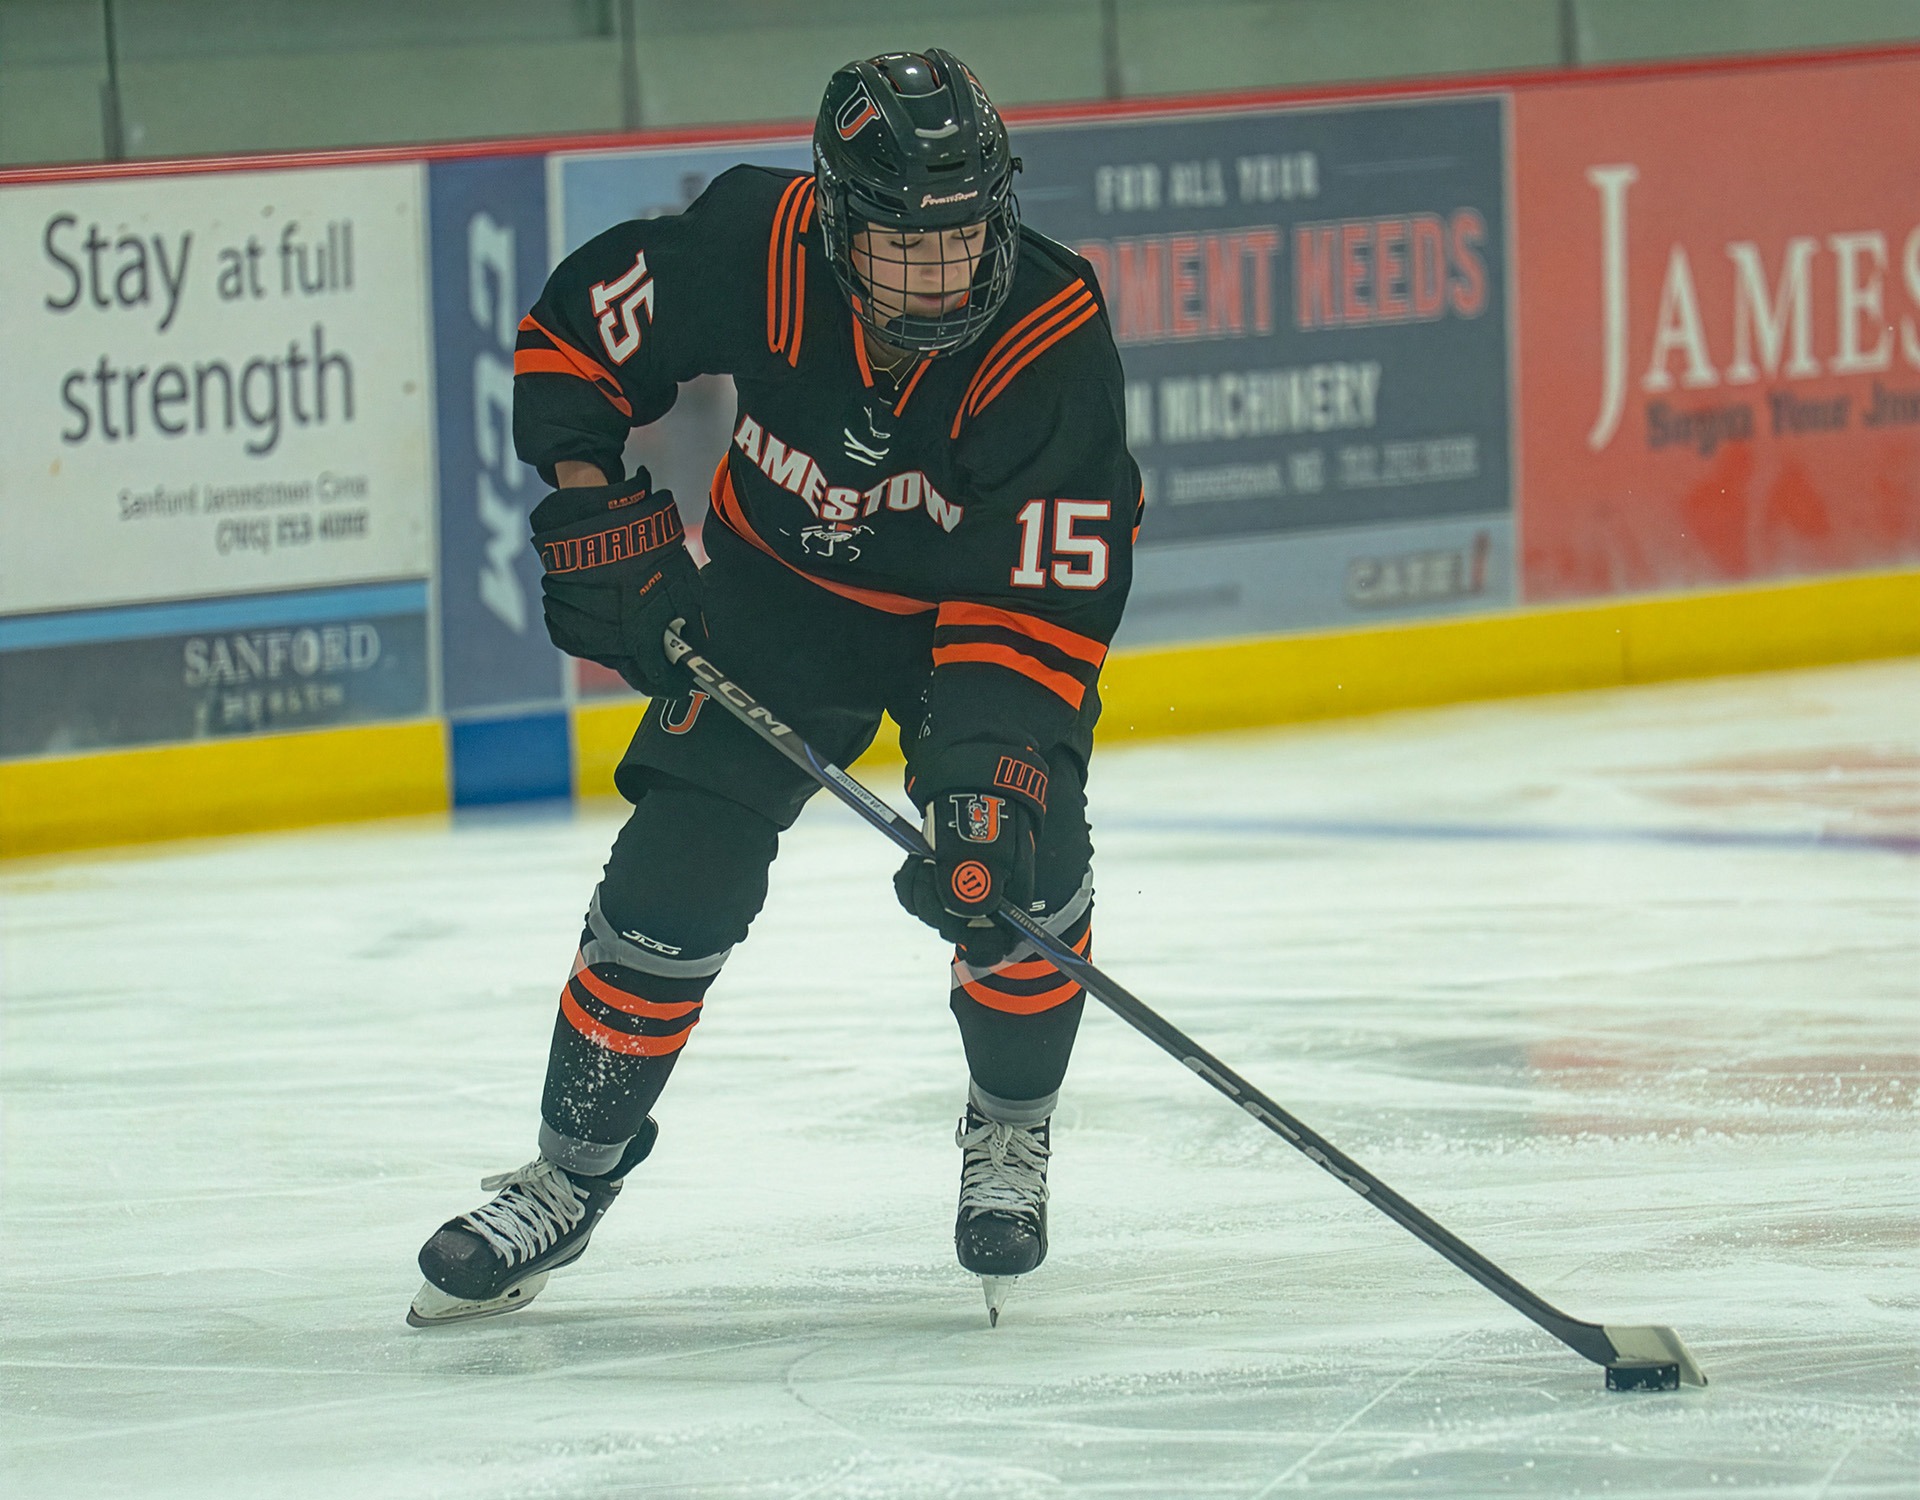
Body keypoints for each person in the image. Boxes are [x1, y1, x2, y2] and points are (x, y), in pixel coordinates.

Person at [408, 48, 1140, 1327]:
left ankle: (1011, 1134)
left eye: (964, 240)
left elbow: (1039, 597)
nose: (942, 276)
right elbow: (574, 337)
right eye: (907, 247)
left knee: (1020, 871)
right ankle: (568, 1179)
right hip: (776, 598)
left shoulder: (1052, 327)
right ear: (838, 217)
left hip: (965, 622)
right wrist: (601, 520)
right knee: (673, 871)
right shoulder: (755, 236)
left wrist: (987, 786)